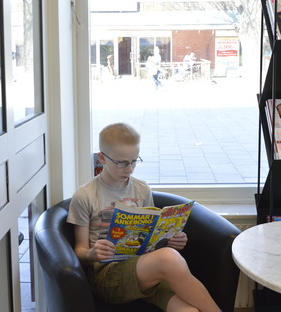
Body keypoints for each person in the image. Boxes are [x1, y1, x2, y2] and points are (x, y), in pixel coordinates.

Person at [67, 123, 222, 312]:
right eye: (122, 163)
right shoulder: (85, 195)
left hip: (146, 272)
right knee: (168, 258)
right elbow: (80, 251)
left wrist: (171, 239)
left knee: (189, 310)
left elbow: (151, 238)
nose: (129, 169)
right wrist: (92, 254)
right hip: (107, 277)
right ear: (102, 158)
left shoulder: (142, 189)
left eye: (134, 161)